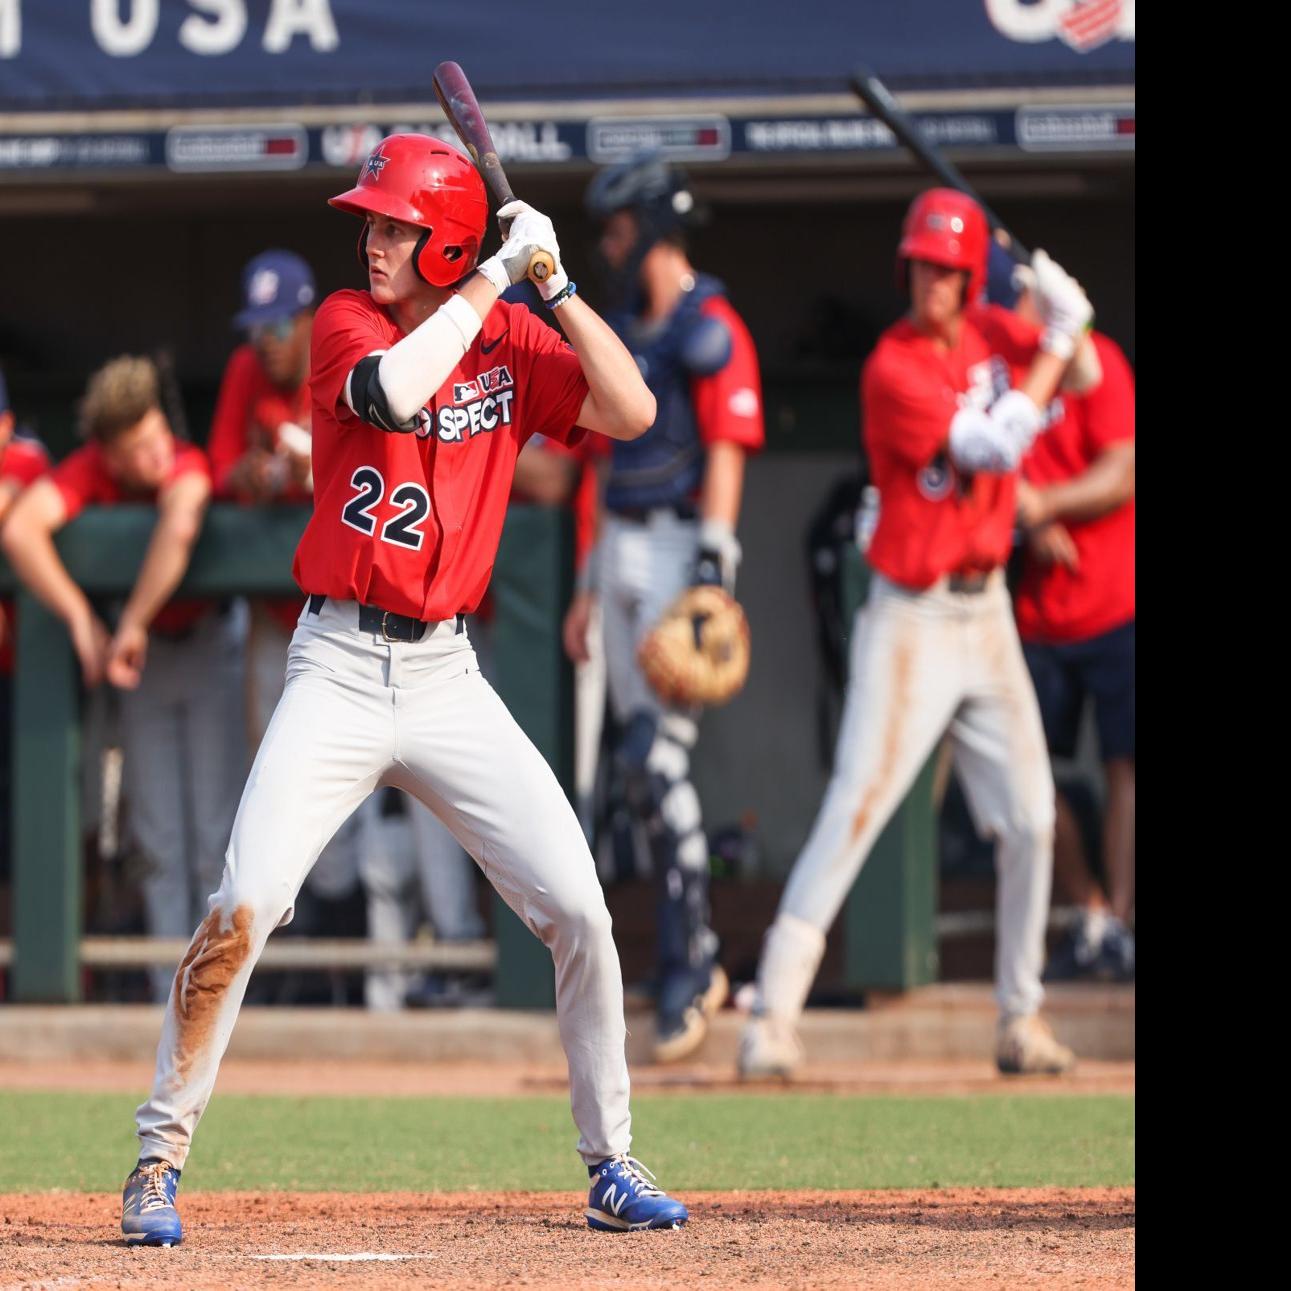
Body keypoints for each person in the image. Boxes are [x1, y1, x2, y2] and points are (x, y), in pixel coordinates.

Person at [119, 133, 688, 1246]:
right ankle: (155, 1159)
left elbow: (632, 413)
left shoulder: (511, 334)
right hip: (335, 662)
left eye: (393, 225)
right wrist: (485, 279)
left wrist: (556, 286)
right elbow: (388, 392)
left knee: (578, 906)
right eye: (373, 222)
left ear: (445, 239)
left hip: (444, 673)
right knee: (245, 903)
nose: (372, 240)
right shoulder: (346, 323)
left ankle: (611, 1159)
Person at [736, 189, 1099, 1081]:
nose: (930, 280)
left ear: (971, 274)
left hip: (986, 613)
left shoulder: (989, 333)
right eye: (921, 265)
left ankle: (1020, 1016)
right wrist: (1057, 338)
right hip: (911, 614)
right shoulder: (890, 366)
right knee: (856, 805)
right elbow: (990, 448)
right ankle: (772, 1017)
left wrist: (1066, 313)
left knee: (1030, 818)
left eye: (945, 267)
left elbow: (1082, 380)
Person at [566, 155, 765, 1063]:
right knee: (633, 771)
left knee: (655, 760)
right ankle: (683, 954)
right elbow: (598, 463)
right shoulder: (616, 328)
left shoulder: (708, 320)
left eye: (615, 229)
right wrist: (583, 581)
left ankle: (697, 961)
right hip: (620, 544)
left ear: (649, 225)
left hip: (686, 543)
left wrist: (716, 570)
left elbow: (727, 440)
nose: (609, 245)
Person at [2, 356, 246, 1002]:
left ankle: (223, 988)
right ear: (109, 452)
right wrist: (82, 618)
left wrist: (130, 618)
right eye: (138, 447)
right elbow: (22, 530)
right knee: (160, 840)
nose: (156, 452)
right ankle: (174, 991)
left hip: (210, 643)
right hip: (146, 665)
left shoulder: (186, 460)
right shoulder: (91, 467)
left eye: (156, 433)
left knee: (216, 838)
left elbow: (182, 520)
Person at [987, 246, 1135, 981]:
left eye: (1022, 297)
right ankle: (1089, 909)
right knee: (1029, 775)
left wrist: (1048, 504)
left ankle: (1119, 927)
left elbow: (1119, 469)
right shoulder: (998, 372)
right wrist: (1025, 518)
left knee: (1124, 768)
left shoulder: (1093, 357)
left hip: (1115, 600)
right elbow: (982, 470)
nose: (1014, 312)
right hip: (1037, 613)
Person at [208, 249, 368, 914]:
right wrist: (250, 474)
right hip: (275, 615)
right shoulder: (248, 371)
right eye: (256, 329)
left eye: (277, 328)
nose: (264, 344)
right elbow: (219, 468)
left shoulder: (343, 357)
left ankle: (347, 929)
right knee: (271, 781)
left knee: (355, 787)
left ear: (306, 319)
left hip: (349, 615)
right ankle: (297, 939)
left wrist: (304, 472)